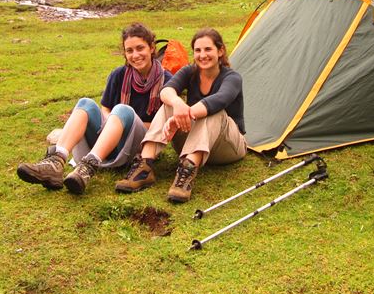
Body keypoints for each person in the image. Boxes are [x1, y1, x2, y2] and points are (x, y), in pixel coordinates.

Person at [17, 22, 172, 195]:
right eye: (129, 50)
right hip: (109, 139)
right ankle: (57, 161)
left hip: (139, 146)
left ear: (151, 48)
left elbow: (163, 125)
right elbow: (105, 108)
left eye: (140, 48)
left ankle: (89, 167)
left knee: (123, 110)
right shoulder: (119, 74)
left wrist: (121, 120)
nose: (135, 55)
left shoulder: (167, 80)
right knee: (86, 103)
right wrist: (111, 123)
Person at [115, 27, 246, 203]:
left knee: (215, 112)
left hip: (227, 146)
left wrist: (184, 115)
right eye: (198, 50)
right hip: (193, 141)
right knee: (170, 104)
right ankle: (144, 167)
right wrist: (178, 105)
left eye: (208, 49)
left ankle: (186, 172)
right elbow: (166, 91)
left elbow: (220, 100)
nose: (202, 55)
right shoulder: (189, 71)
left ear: (220, 51)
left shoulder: (232, 77)